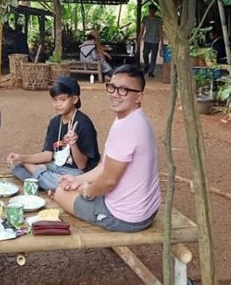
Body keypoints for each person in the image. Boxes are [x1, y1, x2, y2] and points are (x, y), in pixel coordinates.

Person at [53, 65, 161, 232]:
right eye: (112, 87)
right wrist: (77, 180)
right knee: (71, 185)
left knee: (60, 193)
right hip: (147, 211)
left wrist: (86, 192)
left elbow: (109, 181)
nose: (115, 94)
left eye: (124, 90)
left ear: (139, 97)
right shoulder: (136, 119)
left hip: (126, 218)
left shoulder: (125, 127)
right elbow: (104, 167)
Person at [7, 75, 100, 191]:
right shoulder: (55, 122)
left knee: (64, 181)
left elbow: (82, 165)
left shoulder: (84, 123)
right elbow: (48, 155)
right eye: (55, 100)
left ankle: (44, 179)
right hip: (55, 168)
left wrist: (73, 144)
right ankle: (49, 183)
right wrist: (21, 158)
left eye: (63, 99)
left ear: (75, 99)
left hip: (76, 173)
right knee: (16, 168)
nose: (57, 104)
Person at [138, 4, 164, 77]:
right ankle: (146, 65)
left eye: (152, 10)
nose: (151, 12)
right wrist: (139, 39)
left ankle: (151, 71)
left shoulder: (158, 20)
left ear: (155, 11)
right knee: (145, 54)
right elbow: (142, 30)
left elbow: (160, 31)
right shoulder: (145, 19)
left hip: (155, 41)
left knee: (153, 57)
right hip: (147, 40)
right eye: (150, 10)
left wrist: (161, 41)